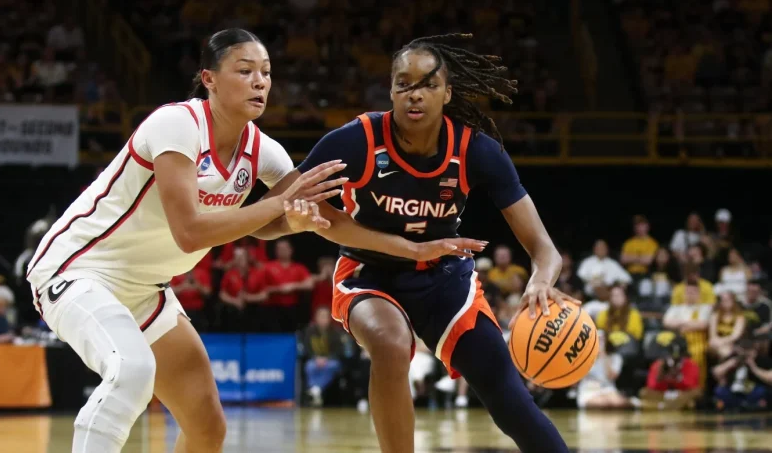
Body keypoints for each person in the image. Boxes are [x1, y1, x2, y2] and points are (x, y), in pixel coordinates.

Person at [25, 29, 480, 453]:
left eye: (265, 72)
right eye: (244, 70)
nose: (259, 81)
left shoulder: (264, 151)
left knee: (207, 426)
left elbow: (309, 222)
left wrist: (399, 246)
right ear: (209, 79)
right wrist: (279, 207)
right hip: (78, 269)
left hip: (144, 291)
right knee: (132, 371)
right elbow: (191, 232)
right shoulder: (176, 125)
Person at [255, 33, 575, 453]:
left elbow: (544, 249)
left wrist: (541, 279)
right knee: (390, 343)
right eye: (403, 84)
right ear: (390, 90)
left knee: (506, 393)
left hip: (446, 280)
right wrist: (294, 222)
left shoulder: (476, 151)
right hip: (370, 276)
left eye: (428, 84)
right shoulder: (355, 141)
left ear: (447, 93)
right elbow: (264, 219)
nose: (414, 95)